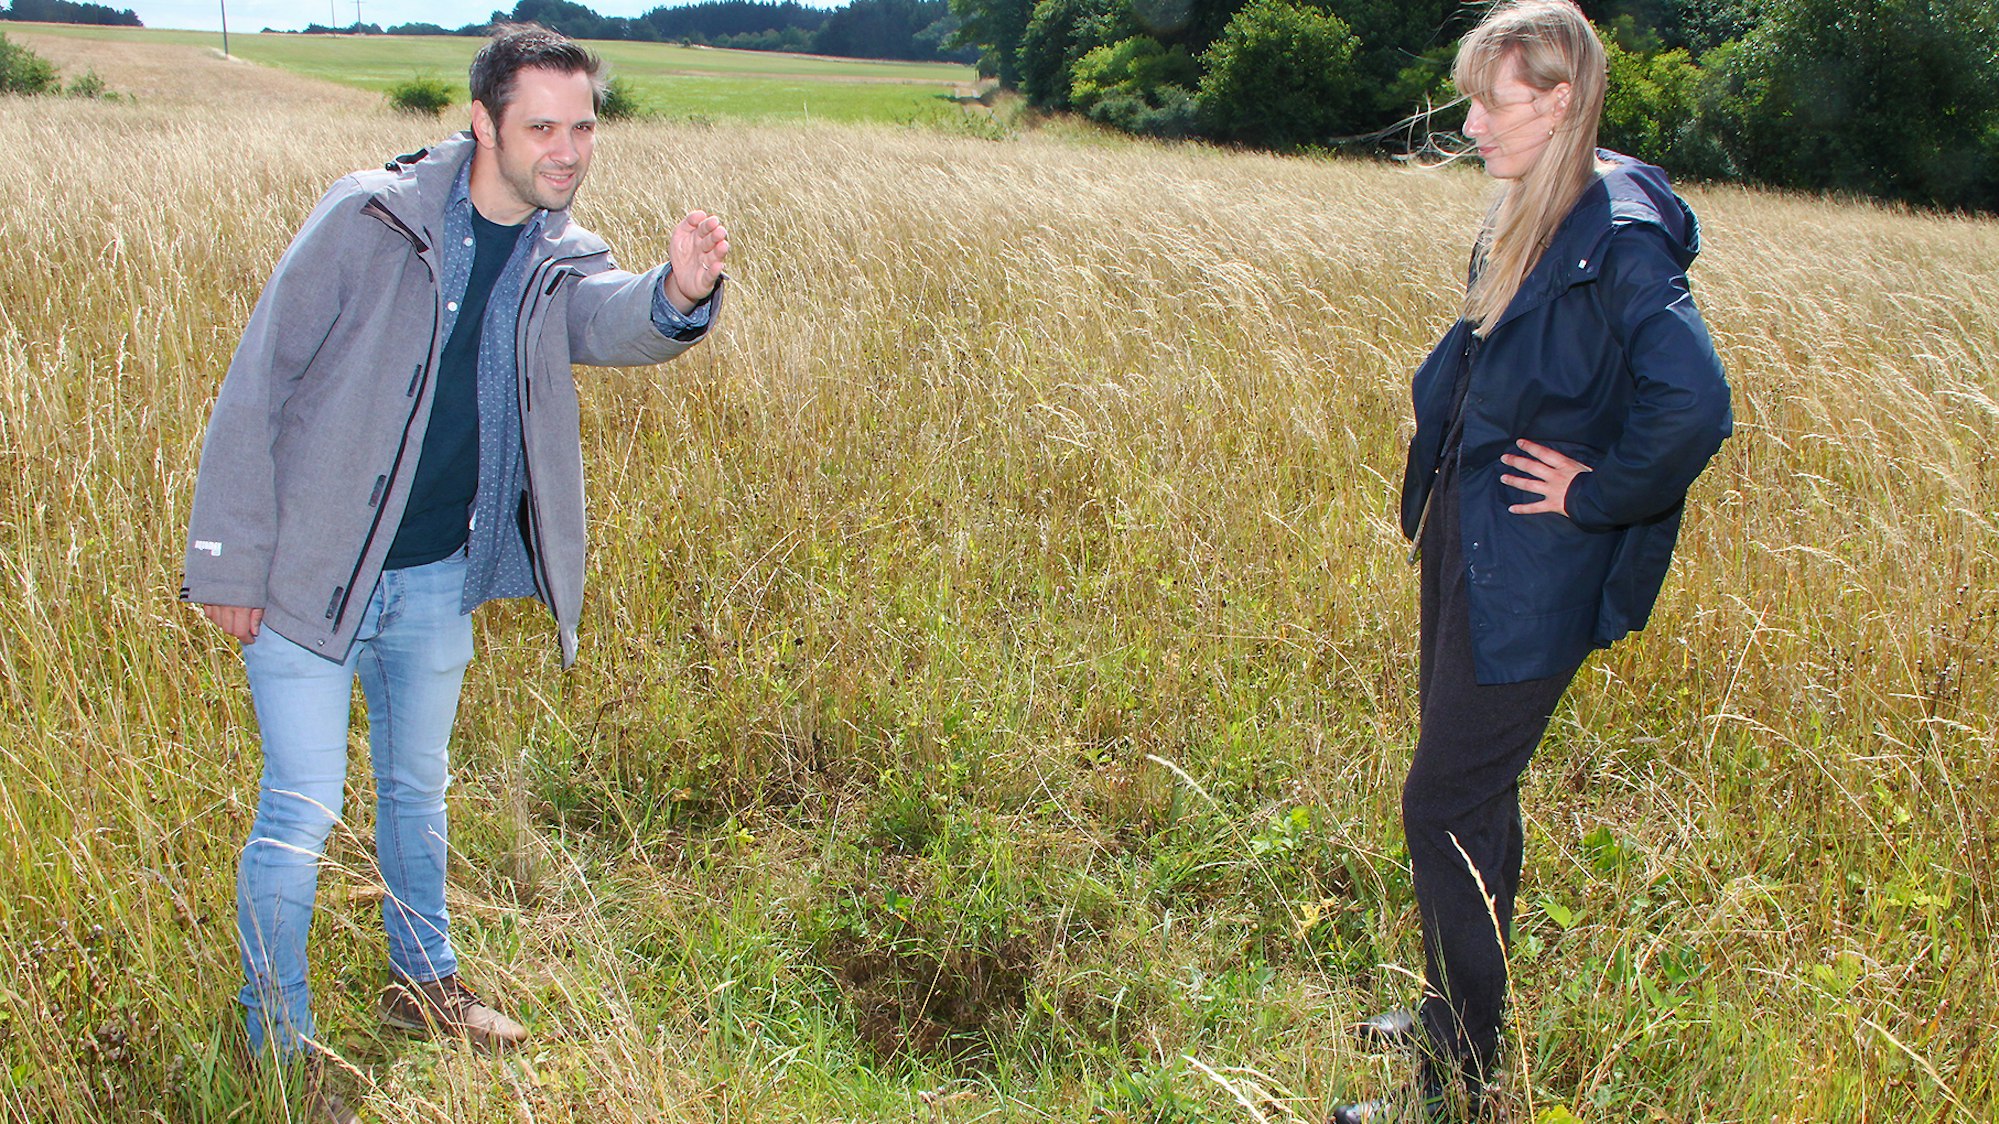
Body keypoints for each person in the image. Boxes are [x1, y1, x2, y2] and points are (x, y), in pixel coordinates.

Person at [180, 22, 728, 1118]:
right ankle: (277, 1043)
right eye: (543, 126)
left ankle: (423, 984)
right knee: (298, 811)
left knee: (417, 792)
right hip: (309, 581)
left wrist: (675, 294)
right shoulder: (367, 219)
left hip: (431, 575)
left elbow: (607, 318)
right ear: (483, 122)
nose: (568, 148)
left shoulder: (553, 251)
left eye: (583, 126)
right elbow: (259, 380)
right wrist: (228, 559)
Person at [1332, 2, 1731, 1120]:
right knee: (1473, 790)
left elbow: (1693, 402)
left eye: (1488, 100)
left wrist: (1595, 491)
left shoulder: (1619, 227)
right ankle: (1455, 1011)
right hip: (1474, 534)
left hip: (1533, 565)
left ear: (1557, 101)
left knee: (1441, 798)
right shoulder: (1539, 201)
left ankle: (1452, 1089)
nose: (1467, 122)